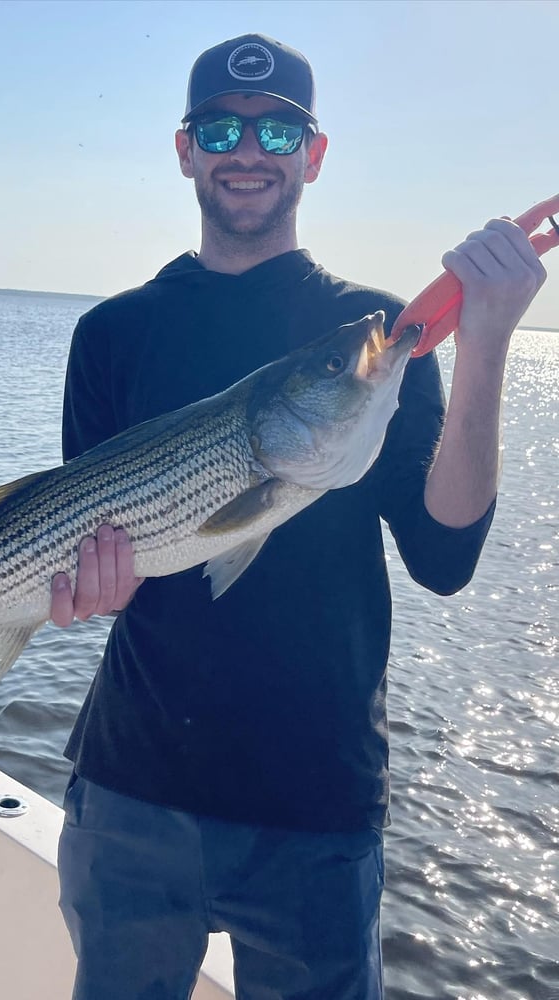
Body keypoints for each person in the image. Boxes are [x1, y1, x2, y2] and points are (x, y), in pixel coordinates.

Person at [49, 33, 546, 1000]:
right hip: (132, 792)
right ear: (186, 149)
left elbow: (445, 554)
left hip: (316, 803)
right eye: (223, 129)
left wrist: (483, 343)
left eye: (277, 128)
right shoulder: (109, 333)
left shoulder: (375, 331)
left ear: (313, 155)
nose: (249, 151)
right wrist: (83, 592)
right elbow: (93, 555)